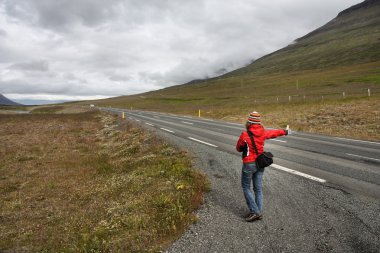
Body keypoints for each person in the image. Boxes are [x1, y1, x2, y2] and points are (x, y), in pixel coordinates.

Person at [236, 111, 289, 222]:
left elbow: (238, 148)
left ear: (249, 122)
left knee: (246, 187)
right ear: (259, 123)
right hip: (260, 163)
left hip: (249, 164)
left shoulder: (245, 135)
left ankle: (255, 212)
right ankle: (258, 212)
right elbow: (275, 133)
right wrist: (285, 131)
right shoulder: (263, 132)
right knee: (258, 189)